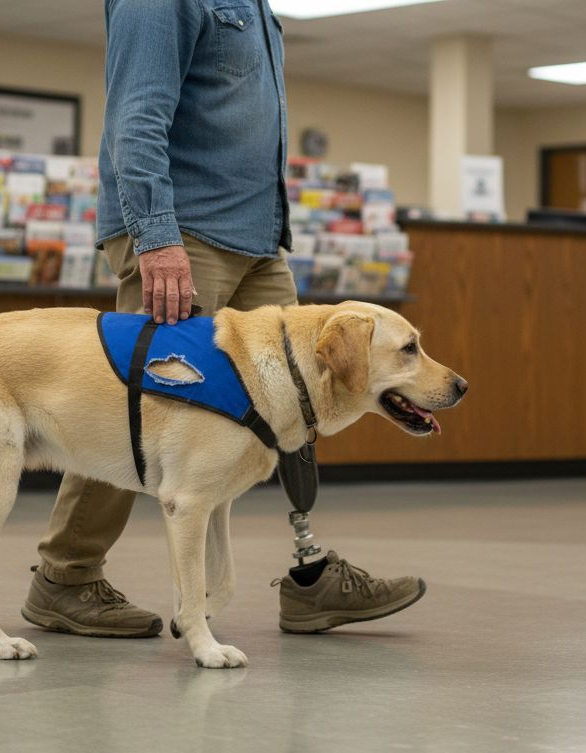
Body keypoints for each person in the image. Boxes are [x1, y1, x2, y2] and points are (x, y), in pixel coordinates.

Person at [21, 0, 425, 637]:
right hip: (185, 235)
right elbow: (137, 116)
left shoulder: (258, 7)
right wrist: (155, 238)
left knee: (303, 395)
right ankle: (65, 576)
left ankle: (311, 573)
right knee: (144, 409)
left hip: (256, 238)